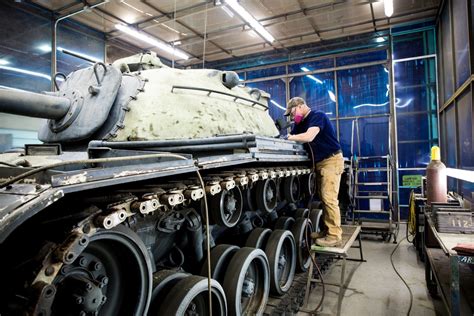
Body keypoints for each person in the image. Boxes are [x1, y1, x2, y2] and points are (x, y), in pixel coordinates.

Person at [285, 97, 344, 247]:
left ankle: (334, 235)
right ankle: (327, 230)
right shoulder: (300, 123)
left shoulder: (318, 116)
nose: (292, 117)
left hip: (331, 161)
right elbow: (290, 138)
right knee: (323, 198)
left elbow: (308, 136)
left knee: (329, 198)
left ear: (300, 106)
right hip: (320, 163)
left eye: (292, 113)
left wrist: (291, 137)